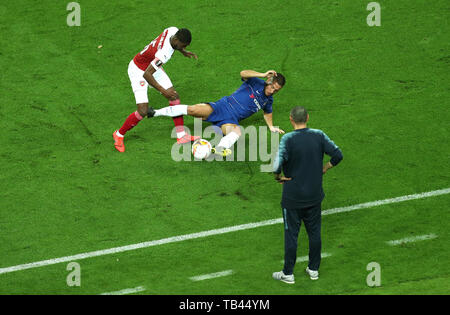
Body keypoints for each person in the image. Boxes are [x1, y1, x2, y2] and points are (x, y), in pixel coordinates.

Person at [272, 106, 343, 284]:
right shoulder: (318, 135)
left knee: (291, 235)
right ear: (308, 118)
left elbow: (276, 165)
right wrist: (325, 168)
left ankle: (288, 273)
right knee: (314, 233)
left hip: (292, 198)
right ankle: (313, 270)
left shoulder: (287, 139)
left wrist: (278, 177)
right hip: (314, 195)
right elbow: (337, 155)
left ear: (291, 119)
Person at [147, 70, 286, 156]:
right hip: (222, 106)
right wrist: (262, 74)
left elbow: (267, 113)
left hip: (231, 119)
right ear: (269, 81)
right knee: (192, 110)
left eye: (276, 90)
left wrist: (271, 127)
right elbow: (243, 73)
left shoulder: (268, 100)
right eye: (272, 87)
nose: (273, 91)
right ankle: (154, 112)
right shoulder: (256, 82)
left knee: (237, 132)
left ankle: (220, 148)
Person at [113, 27, 199, 152]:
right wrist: (163, 91)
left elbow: (172, 47)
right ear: (176, 39)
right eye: (182, 45)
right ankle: (119, 134)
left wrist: (183, 50)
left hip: (152, 66)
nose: (183, 46)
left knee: (174, 96)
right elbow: (147, 74)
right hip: (139, 70)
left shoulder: (173, 30)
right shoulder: (163, 53)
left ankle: (181, 136)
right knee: (142, 110)